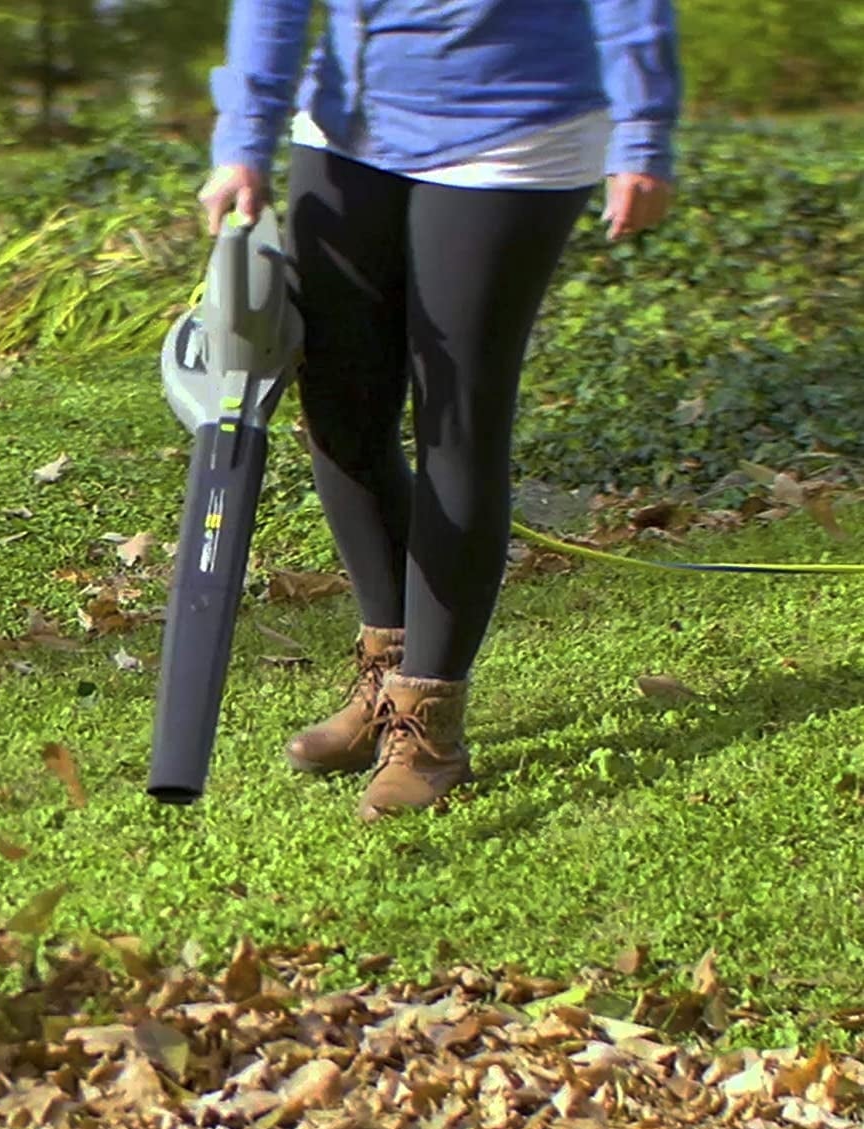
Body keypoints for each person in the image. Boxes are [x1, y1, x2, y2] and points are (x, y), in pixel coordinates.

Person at [199, 0, 681, 820]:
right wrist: (245, 136)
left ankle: (428, 724)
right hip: (348, 130)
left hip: (515, 129)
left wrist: (642, 130)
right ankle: (385, 679)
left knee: (457, 416)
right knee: (341, 410)